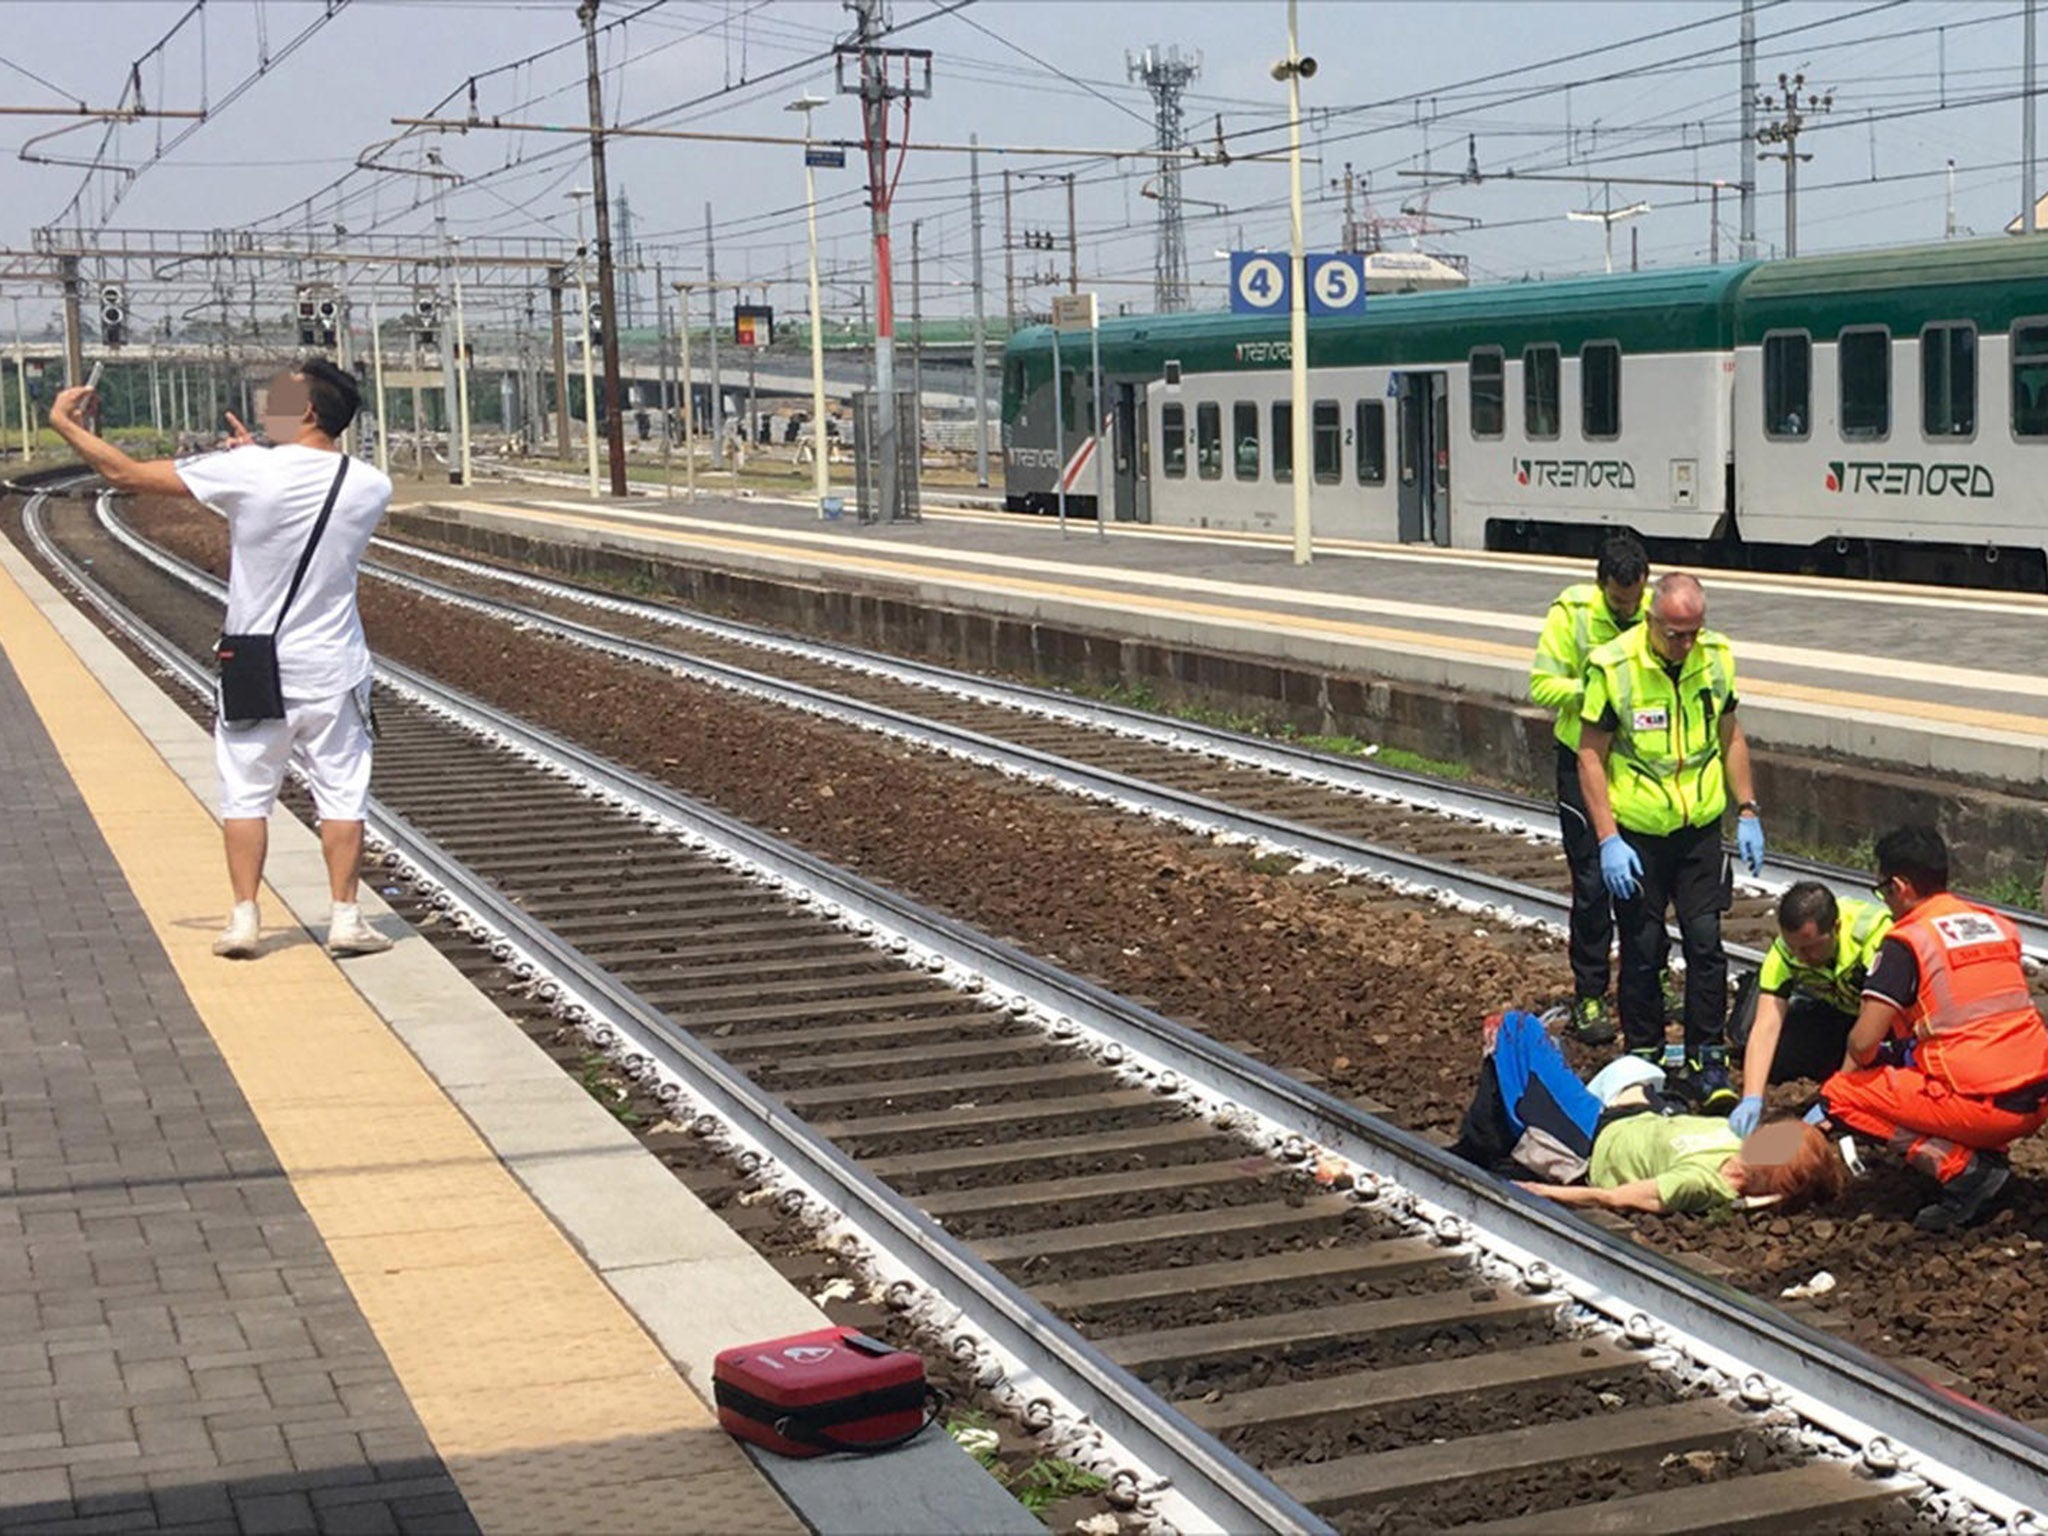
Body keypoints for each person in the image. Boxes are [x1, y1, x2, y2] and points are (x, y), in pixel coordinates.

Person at [50, 361, 395, 960]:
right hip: (334, 667)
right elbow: (291, 509)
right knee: (342, 795)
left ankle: (243, 921)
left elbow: (122, 472)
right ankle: (346, 918)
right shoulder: (370, 485)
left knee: (246, 793)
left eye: (282, 395)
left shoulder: (247, 470)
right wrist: (249, 462)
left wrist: (64, 425)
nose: (268, 402)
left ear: (307, 411)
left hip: (253, 662)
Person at [1577, 571, 1764, 1112]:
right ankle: (1646, 1056)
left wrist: (1746, 807)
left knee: (1706, 944)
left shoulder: (1715, 658)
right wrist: (1608, 837)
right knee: (1642, 947)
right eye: (1675, 634)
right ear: (1652, 621)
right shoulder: (1614, 667)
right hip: (1637, 834)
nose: (1686, 645)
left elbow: (1731, 735)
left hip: (1698, 829)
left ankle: (1707, 1057)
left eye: (1694, 633)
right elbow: (1591, 755)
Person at [1816, 826, 2048, 1232]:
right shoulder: (1995, 924)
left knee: (1841, 1096)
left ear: (1900, 886)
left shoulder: (1907, 941)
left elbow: (1864, 1041)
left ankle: (1966, 1171)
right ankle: (1981, 1152)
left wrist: (1856, 1077)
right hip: (2036, 1094)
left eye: (1883, 890)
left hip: (1983, 1105)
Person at [1449, 1010, 1847, 1216]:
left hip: (1588, 1143)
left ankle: (1490, 1139)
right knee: (1642, 1069)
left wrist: (1546, 1192)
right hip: (1628, 1115)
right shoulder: (1737, 1141)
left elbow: (1616, 1198)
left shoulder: (1704, 1182)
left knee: (1518, 1031)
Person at [1528, 532, 1649, 1045]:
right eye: (1620, 603)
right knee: (1594, 884)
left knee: (1644, 882)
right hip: (1582, 762)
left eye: (1636, 600)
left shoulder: (1652, 614)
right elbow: (1541, 685)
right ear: (1602, 587)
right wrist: (1597, 689)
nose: (1630, 611)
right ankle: (1591, 993)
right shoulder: (1573, 614)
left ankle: (1645, 986)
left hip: (1635, 767)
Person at [1727, 882, 1893, 1135]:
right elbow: (1766, 1025)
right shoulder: (1786, 951)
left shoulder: (1875, 937)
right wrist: (1752, 1098)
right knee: (1782, 1057)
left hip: (1887, 1025)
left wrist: (1835, 1099)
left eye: (1809, 947)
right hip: (1840, 1015)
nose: (1799, 957)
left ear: (1836, 928)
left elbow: (1871, 1029)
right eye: (1793, 947)